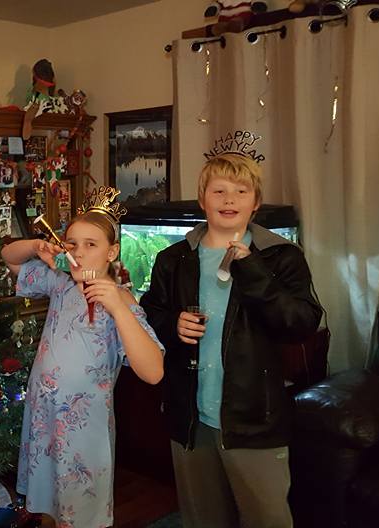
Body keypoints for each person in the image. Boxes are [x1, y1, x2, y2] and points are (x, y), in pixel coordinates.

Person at [139, 146, 323, 528]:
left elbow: (301, 322)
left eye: (241, 191)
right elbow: (150, 311)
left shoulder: (281, 257)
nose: (229, 200)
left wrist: (251, 268)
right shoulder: (173, 259)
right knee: (203, 519)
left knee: (268, 519)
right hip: (190, 419)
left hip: (256, 421)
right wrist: (172, 323)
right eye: (219, 190)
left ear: (255, 203)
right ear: (202, 199)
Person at [1, 186, 164, 528]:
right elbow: (10, 258)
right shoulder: (59, 283)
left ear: (111, 252)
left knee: (80, 514)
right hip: (44, 419)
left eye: (91, 245)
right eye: (72, 244)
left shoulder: (121, 303)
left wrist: (118, 307)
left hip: (83, 434)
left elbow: (153, 372)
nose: (79, 252)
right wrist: (35, 246)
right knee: (47, 504)